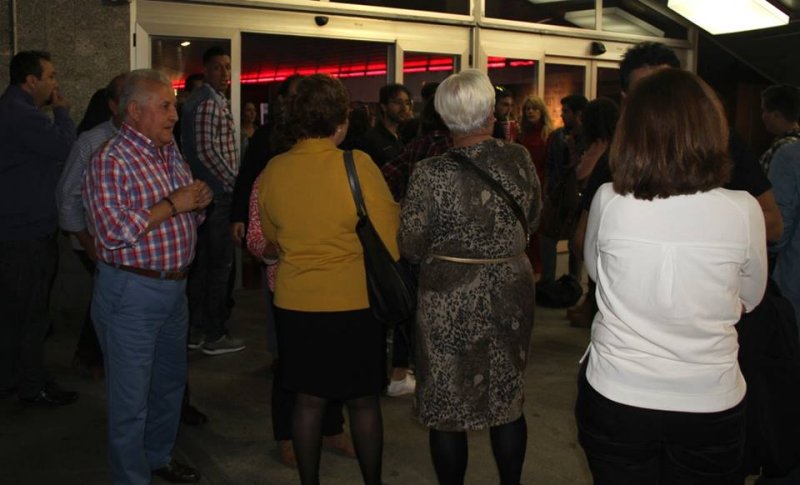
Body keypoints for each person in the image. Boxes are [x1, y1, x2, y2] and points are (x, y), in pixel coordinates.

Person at [576, 68, 768, 484]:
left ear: (631, 133)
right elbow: (751, 297)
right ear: (712, 130)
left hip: (617, 390)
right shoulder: (743, 209)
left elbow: (597, 272)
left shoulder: (609, 200)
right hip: (709, 396)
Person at [399, 69, 540, 485]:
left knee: (447, 405)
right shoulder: (519, 158)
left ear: (445, 117)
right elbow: (534, 217)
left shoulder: (429, 172)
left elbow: (410, 244)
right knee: (506, 398)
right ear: (491, 112)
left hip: (448, 298)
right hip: (510, 289)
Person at [258, 74, 395, 485]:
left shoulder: (274, 169)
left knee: (307, 401)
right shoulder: (358, 165)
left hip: (296, 303)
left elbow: (271, 236)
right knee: (363, 402)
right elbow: (390, 241)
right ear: (340, 121)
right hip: (354, 302)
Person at [84, 69, 212, 484]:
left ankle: (157, 457)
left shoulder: (168, 151)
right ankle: (130, 477)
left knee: (169, 385)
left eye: (174, 105)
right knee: (130, 400)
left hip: (174, 288)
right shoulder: (110, 159)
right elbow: (111, 232)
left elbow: (184, 216)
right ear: (135, 112)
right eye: (166, 106)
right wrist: (174, 204)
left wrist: (197, 204)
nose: (175, 114)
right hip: (131, 292)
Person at [0, 50, 78, 406]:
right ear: (31, 81)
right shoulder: (22, 115)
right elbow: (66, 147)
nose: (55, 83)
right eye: (50, 76)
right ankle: (32, 387)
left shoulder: (10, 109)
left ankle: (12, 380)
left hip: (15, 232)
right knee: (31, 315)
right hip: (26, 236)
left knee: (15, 315)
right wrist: (61, 111)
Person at [56, 73, 126, 378]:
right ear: (113, 105)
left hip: (123, 241)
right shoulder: (92, 141)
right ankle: (93, 356)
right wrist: (88, 243)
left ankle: (94, 355)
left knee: (108, 294)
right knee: (108, 295)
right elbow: (66, 196)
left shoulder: (152, 138)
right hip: (93, 238)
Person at [182, 46, 245, 355]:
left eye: (228, 67)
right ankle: (214, 334)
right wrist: (234, 183)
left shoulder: (210, 100)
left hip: (211, 194)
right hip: (217, 195)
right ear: (205, 70)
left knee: (204, 267)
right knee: (218, 268)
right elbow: (206, 151)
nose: (225, 73)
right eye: (218, 67)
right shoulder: (207, 102)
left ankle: (196, 330)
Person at [563, 97, 619, 328]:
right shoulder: (610, 148)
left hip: (598, 214)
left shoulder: (603, 151)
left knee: (598, 267)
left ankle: (593, 307)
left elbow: (583, 176)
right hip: (604, 215)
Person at [517, 94, 553, 279]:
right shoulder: (521, 134)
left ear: (541, 111)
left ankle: (539, 270)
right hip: (523, 184)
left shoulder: (548, 134)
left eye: (534, 108)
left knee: (538, 230)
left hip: (541, 182)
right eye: (527, 109)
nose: (530, 112)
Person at [355, 82, 412, 167]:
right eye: (398, 102)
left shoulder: (402, 136)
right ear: (384, 106)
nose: (404, 108)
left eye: (407, 103)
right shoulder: (371, 140)